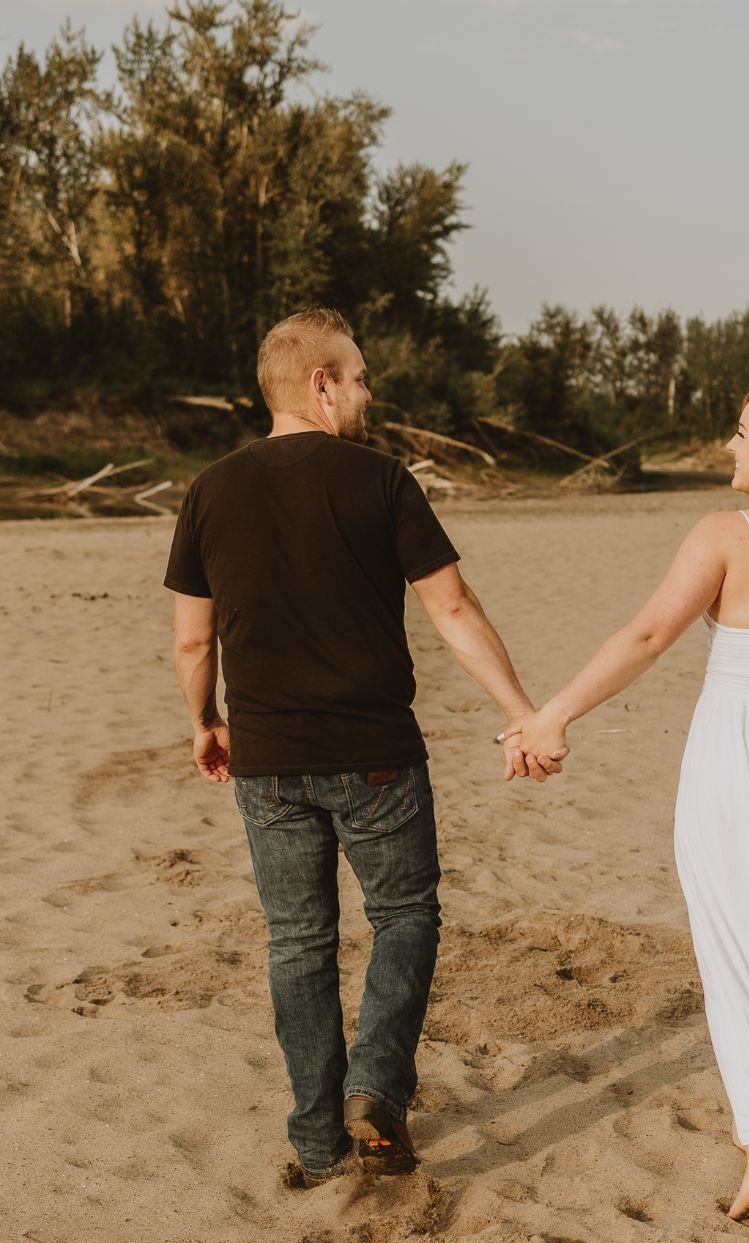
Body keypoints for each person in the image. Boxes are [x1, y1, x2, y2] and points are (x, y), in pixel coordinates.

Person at [165, 308, 556, 1187]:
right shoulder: (382, 480)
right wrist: (520, 709)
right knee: (405, 916)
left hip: (266, 757)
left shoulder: (210, 490)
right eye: (361, 377)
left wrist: (206, 720)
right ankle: (375, 1083)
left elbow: (195, 642)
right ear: (320, 384)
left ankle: (314, 1137)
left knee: (298, 942)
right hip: (376, 750)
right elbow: (451, 608)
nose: (369, 392)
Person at [503, 379, 749, 1220]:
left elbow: (647, 636)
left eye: (742, 431)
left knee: (733, 940)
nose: (729, 443)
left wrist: (553, 715)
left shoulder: (727, 535)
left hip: (741, 751)